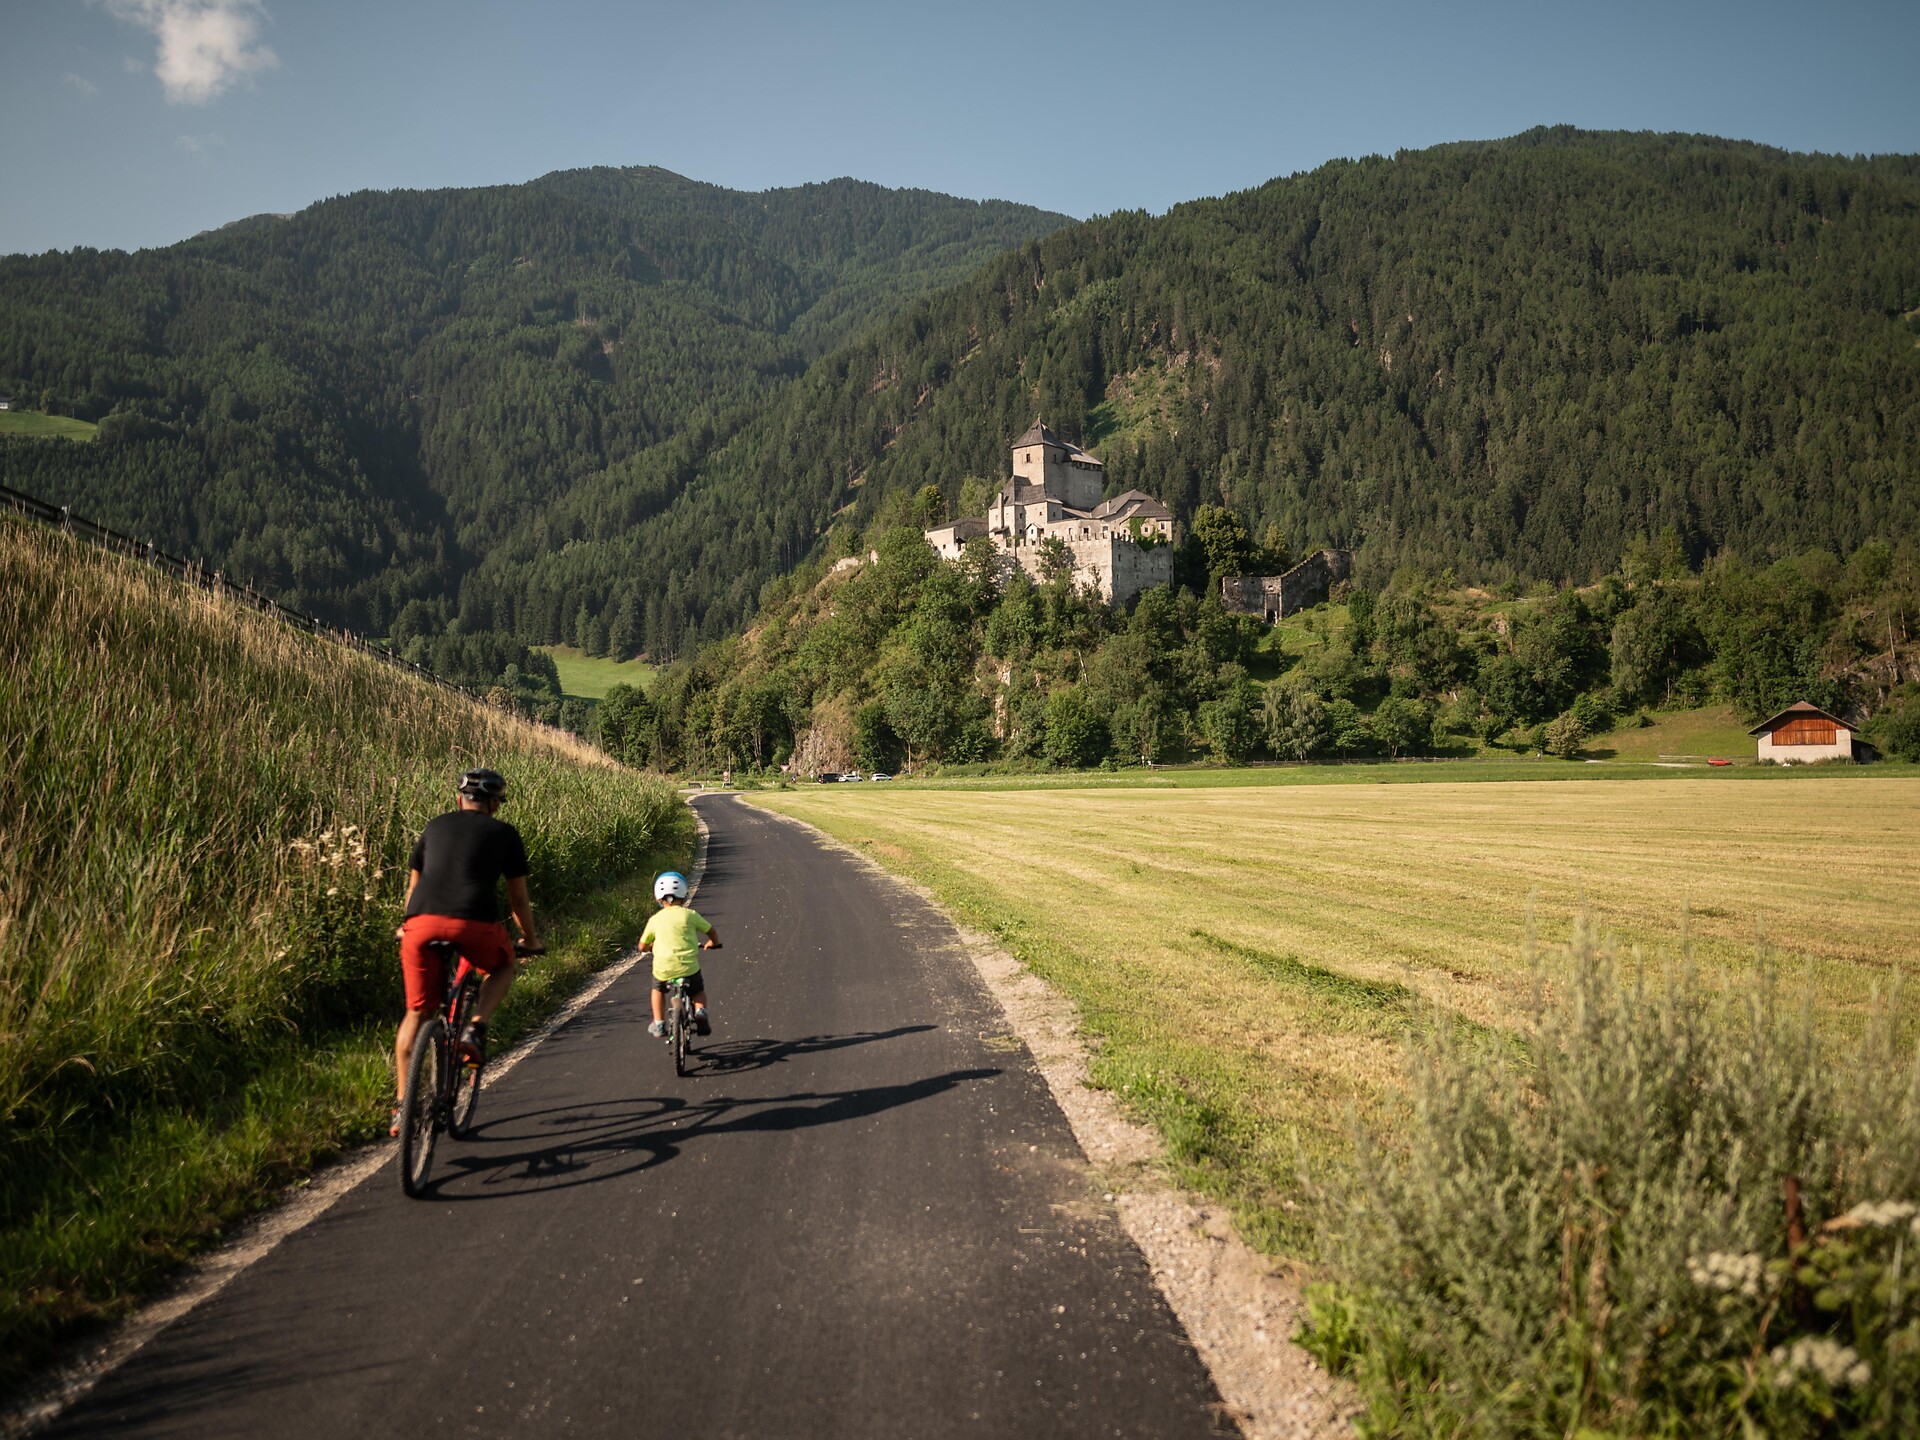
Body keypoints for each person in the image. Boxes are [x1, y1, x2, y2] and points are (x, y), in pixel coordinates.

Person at [391, 768, 541, 1136]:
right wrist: (530, 940)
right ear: (494, 804)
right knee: (503, 966)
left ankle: (401, 1107)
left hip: (420, 923)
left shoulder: (434, 827)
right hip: (474, 923)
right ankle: (476, 1027)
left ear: (459, 800)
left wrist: (407, 925)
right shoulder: (505, 833)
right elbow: (517, 898)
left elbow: (414, 889)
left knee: (416, 1012)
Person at [638, 870, 720, 1037]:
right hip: (688, 967)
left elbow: (642, 945)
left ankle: (659, 1023)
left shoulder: (655, 919)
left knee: (658, 990)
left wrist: (650, 947)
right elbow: (710, 930)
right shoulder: (690, 915)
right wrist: (713, 942)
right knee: (697, 991)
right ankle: (700, 1012)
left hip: (663, 969)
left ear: (658, 897)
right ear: (684, 894)